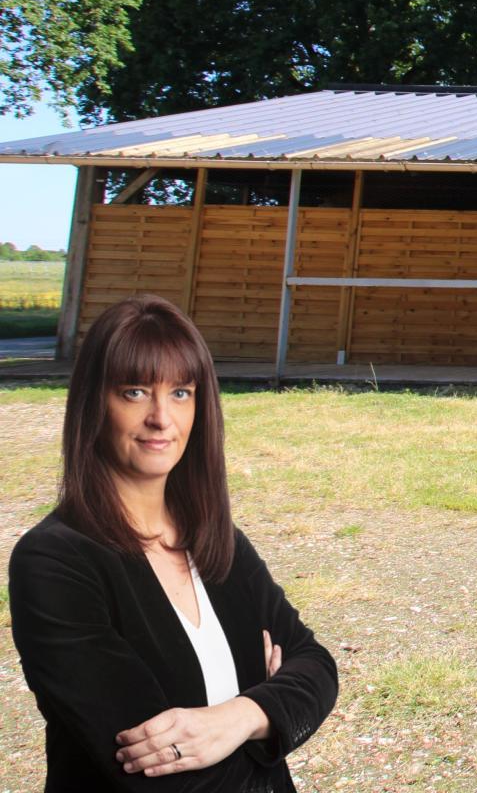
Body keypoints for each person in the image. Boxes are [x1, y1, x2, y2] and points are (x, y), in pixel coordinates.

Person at [8, 294, 338, 791]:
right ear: (94, 402)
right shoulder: (54, 562)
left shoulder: (216, 541)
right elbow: (152, 771)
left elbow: (317, 666)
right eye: (136, 391)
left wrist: (242, 716)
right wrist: (274, 706)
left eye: (181, 393)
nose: (162, 418)